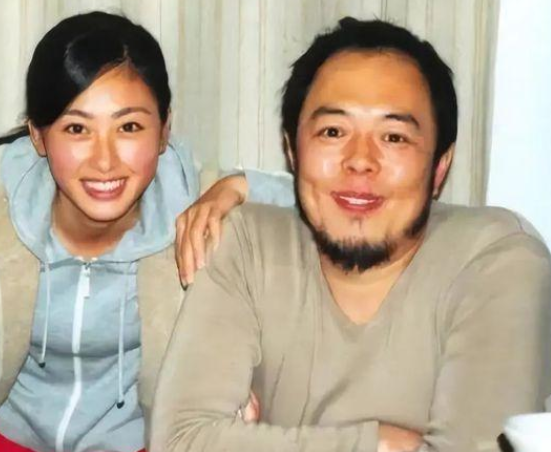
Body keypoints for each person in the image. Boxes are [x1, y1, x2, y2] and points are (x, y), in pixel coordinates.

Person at [150, 17, 551, 452]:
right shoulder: (247, 244)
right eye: (333, 132)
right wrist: (378, 442)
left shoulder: (497, 259)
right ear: (291, 151)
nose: (360, 160)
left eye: (394, 137)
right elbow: (180, 441)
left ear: (440, 166)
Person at [0, 11, 292, 452]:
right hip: (6, 430)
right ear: (38, 135)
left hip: (136, 438)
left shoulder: (193, 201)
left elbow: (331, 207)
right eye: (77, 129)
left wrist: (236, 188)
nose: (105, 161)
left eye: (129, 127)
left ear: (164, 130)